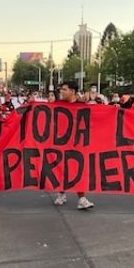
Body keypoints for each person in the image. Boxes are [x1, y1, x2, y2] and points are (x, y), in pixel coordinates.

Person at [52, 81, 95, 210]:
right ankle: (61, 193)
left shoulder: (83, 106)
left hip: (77, 143)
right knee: (62, 167)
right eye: (61, 90)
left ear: (72, 91)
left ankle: (81, 198)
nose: (61, 92)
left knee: (77, 169)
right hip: (60, 142)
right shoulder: (56, 105)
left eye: (64, 89)